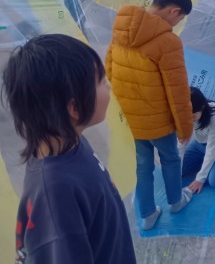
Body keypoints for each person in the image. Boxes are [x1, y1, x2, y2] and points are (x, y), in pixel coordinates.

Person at [3, 34, 136, 263]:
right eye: (101, 82)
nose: (108, 86)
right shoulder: (56, 195)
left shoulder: (72, 142)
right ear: (74, 107)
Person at [106, 0, 194, 230]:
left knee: (142, 166)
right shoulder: (168, 42)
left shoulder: (122, 27)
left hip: (130, 121)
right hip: (158, 123)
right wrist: (185, 128)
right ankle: (175, 201)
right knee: (170, 159)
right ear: (174, 11)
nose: (177, 24)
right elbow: (178, 92)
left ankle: (147, 215)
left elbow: (109, 70)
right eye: (180, 19)